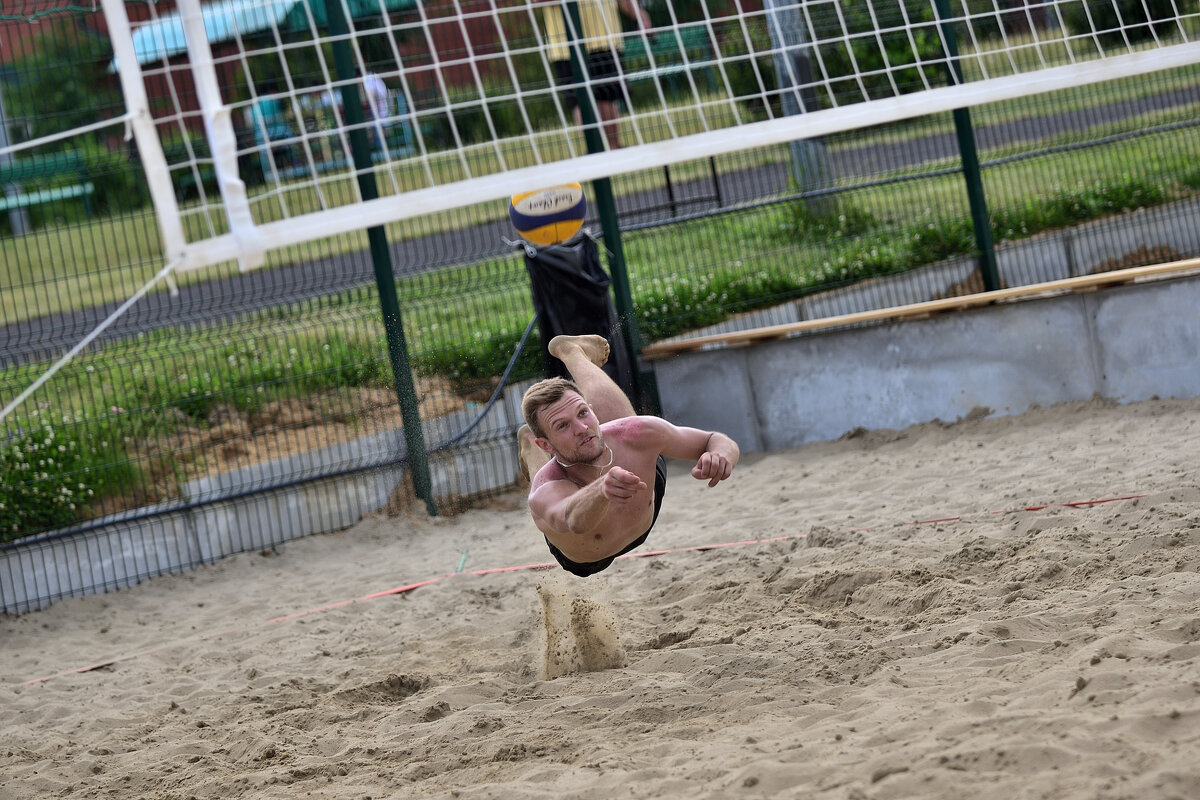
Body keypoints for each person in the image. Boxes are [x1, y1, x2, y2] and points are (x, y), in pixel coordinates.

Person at [518, 334, 739, 577]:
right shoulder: (546, 489)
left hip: (645, 508)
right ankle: (530, 444)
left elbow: (715, 439)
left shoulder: (637, 432)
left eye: (583, 413)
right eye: (562, 426)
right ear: (547, 444)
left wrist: (720, 456)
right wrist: (602, 490)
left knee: (625, 427)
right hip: (588, 559)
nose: (581, 428)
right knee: (556, 461)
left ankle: (572, 352)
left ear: (591, 410)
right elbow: (574, 520)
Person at [542, 0, 651, 150]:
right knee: (580, 101)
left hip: (605, 37)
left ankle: (614, 149)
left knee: (607, 97)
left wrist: (640, 15)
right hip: (566, 45)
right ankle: (595, 150)